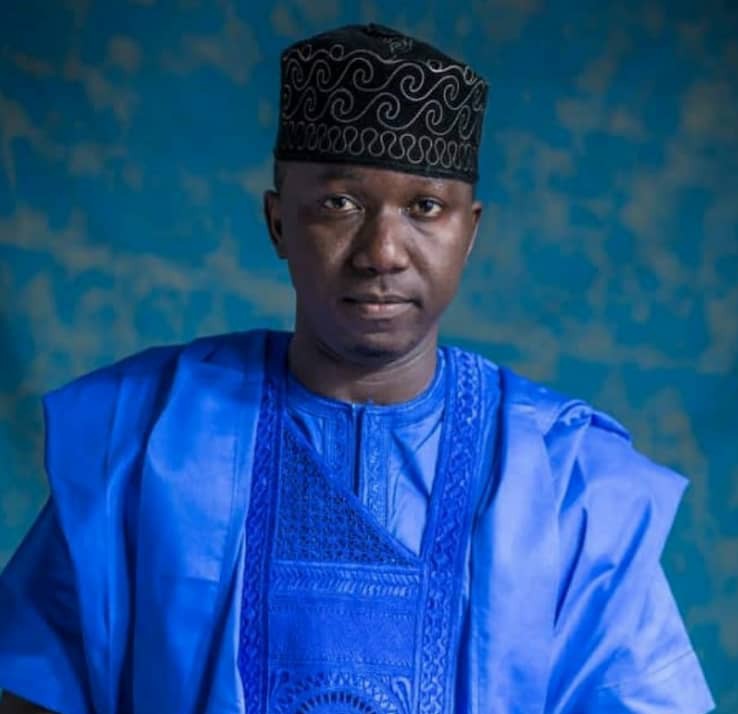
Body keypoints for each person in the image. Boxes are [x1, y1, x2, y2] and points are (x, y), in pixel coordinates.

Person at [0, 22, 715, 714]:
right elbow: (31, 688)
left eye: (425, 207)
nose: (382, 252)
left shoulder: (565, 481)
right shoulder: (149, 439)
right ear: (278, 222)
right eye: (339, 204)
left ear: (470, 231)